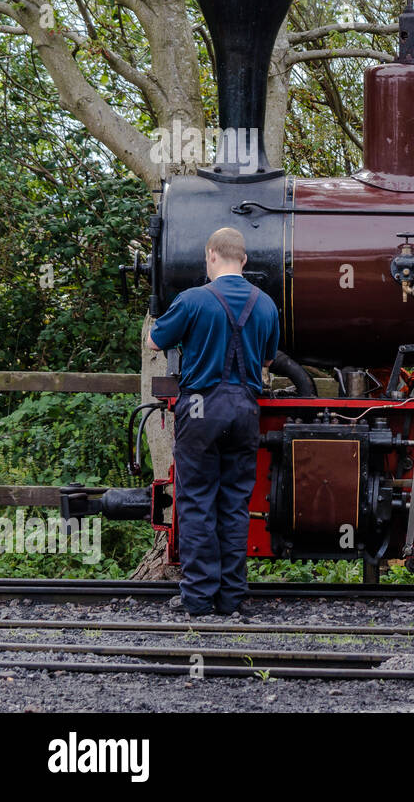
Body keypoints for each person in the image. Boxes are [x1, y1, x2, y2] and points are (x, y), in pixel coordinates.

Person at [147, 227, 279, 615]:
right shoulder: (267, 305)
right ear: (244, 260)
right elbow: (268, 361)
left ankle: (199, 597)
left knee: (196, 500)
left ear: (210, 256)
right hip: (244, 409)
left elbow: (157, 340)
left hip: (201, 409)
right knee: (235, 503)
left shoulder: (193, 300)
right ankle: (231, 597)